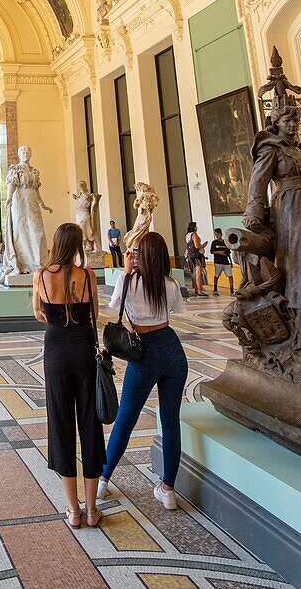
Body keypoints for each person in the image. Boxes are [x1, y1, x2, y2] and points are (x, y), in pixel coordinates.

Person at [98, 232, 188, 510]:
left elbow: (115, 306)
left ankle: (103, 479)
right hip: (171, 350)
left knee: (126, 419)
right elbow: (176, 311)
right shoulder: (170, 284)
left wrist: (126, 272)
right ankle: (168, 490)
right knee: (170, 421)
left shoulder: (128, 281)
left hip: (143, 352)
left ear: (141, 257)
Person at [32, 222, 105, 529]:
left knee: (60, 423)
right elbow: (95, 315)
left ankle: (73, 510)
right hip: (84, 348)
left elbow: (39, 313)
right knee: (89, 422)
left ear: (56, 244)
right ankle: (91, 510)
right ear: (76, 246)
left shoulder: (41, 275)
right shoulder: (87, 276)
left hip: (56, 351)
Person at [185, 222, 208, 297]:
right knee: (198, 274)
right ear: (194, 227)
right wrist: (203, 245)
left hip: (190, 256)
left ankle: (196, 289)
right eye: (196, 226)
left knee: (194, 274)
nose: (197, 228)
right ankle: (199, 291)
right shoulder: (194, 235)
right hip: (196, 256)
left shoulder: (187, 235)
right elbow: (197, 246)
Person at [209, 228, 234, 296]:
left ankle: (232, 291)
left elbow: (228, 253)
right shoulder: (214, 242)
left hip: (226, 261)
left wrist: (231, 262)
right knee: (217, 275)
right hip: (218, 261)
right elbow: (212, 251)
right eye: (216, 235)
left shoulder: (225, 242)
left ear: (221, 234)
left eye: (218, 234)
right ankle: (215, 289)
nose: (217, 236)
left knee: (230, 276)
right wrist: (219, 252)